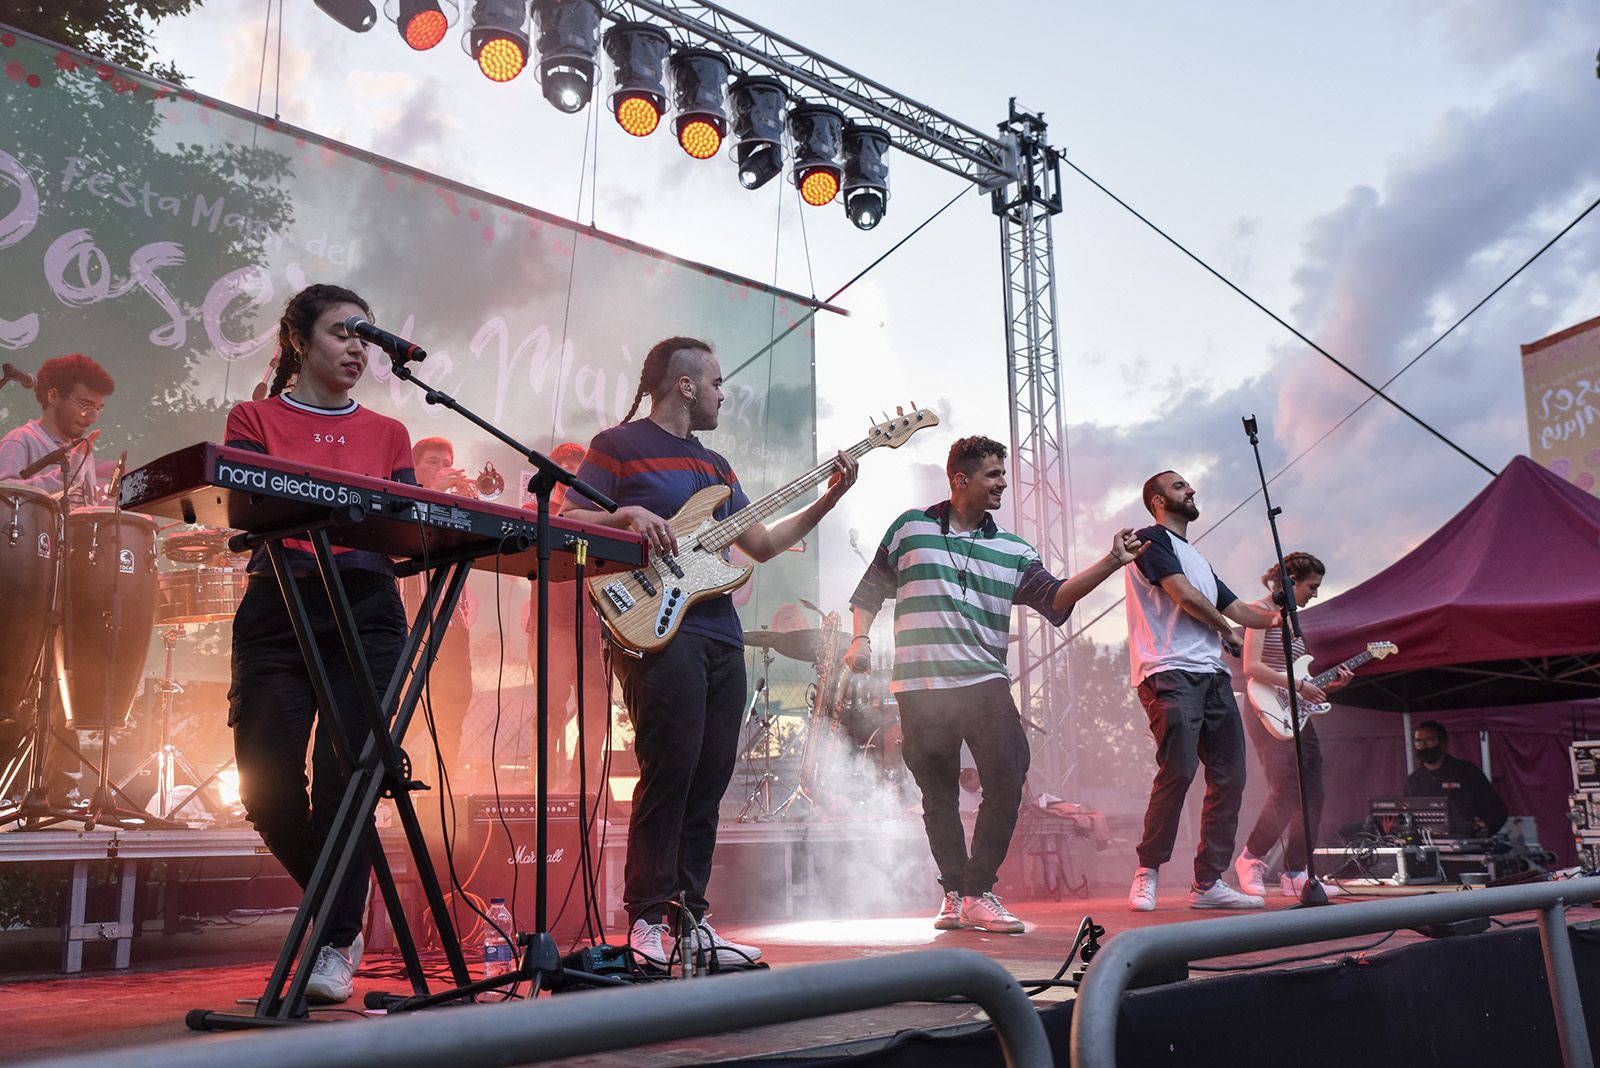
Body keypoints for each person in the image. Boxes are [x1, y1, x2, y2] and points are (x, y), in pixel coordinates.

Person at [561, 336, 858, 968]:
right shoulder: (617, 446)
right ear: (685, 385)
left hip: (720, 633)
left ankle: (691, 920)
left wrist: (828, 499)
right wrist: (628, 517)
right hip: (655, 625)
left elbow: (763, 544)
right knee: (671, 768)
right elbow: (569, 515)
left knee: (710, 775)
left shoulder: (717, 467)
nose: (724, 393)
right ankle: (647, 922)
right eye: (717, 382)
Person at [849, 435, 1145, 933]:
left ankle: (977, 889)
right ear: (960, 479)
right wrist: (859, 640)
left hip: (984, 682)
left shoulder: (1013, 549)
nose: (1002, 484)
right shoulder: (910, 528)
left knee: (1007, 779)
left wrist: (1111, 562)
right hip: (921, 685)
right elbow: (869, 590)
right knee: (937, 794)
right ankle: (954, 894)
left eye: (1003, 474)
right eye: (992, 475)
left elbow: (1055, 598)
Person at [224, 284, 416, 1005]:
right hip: (281, 600)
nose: (358, 349)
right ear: (301, 341)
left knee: (347, 784)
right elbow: (247, 506)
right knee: (267, 785)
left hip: (365, 609)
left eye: (366, 337)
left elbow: (407, 524)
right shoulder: (254, 418)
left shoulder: (390, 435)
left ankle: (334, 942)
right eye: (343, 333)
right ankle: (343, 921)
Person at [1125, 470, 1279, 912]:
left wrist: (1277, 616)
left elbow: (1240, 609)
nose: (1190, 490)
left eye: (1188, 486)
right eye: (1179, 487)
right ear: (1157, 500)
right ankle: (1147, 871)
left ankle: (1208, 882)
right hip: (1169, 670)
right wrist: (1225, 630)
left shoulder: (1198, 557)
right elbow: (1185, 597)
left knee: (1231, 778)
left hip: (1212, 678)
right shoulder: (1149, 540)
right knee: (1178, 770)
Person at [1232, 552, 1353, 899]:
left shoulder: (1293, 621)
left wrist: (1325, 687)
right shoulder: (1260, 613)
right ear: (1292, 581)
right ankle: (1251, 858)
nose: (1315, 593)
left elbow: (1295, 674)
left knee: (1314, 794)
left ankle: (1296, 872)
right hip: (1265, 711)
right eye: (1312, 586)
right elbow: (1252, 668)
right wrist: (1299, 686)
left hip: (1296, 713)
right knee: (1285, 790)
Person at [525, 441, 609, 797]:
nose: (574, 474)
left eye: (580, 468)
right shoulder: (539, 507)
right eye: (567, 467)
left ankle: (585, 789)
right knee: (550, 712)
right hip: (551, 627)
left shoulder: (600, 512)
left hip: (594, 627)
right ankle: (542, 790)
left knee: (597, 713)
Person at [403, 436, 477, 780]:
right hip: (407, 625)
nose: (442, 468)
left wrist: (469, 504)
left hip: (451, 627)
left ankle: (442, 798)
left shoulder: (452, 506)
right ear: (414, 466)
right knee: (404, 711)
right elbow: (406, 546)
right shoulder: (401, 499)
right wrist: (433, 492)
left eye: (447, 461)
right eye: (434, 461)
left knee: (453, 710)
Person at [0, 353, 114, 506]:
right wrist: (65, 478)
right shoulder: (20, 440)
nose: (93, 418)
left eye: (98, 409)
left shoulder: (82, 450)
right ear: (53, 396)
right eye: (85, 405)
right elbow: (5, 498)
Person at [1404, 720, 1508, 837]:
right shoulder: (1413, 780)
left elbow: (1498, 810)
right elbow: (1404, 815)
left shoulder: (1467, 772)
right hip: (1428, 845)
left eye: (1429, 740)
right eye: (1418, 741)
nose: (1423, 746)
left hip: (1468, 845)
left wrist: (1487, 826)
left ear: (1443, 743)